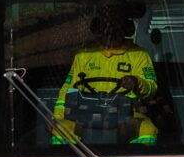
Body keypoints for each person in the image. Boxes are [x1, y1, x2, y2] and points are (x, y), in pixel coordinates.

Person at [54, 8, 159, 145]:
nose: (111, 31)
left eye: (116, 26)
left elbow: (151, 87)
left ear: (126, 28)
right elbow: (67, 92)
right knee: (60, 129)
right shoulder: (83, 56)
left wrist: (137, 82)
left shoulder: (139, 55)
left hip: (126, 115)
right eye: (107, 26)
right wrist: (57, 117)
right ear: (97, 27)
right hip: (85, 114)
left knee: (147, 129)